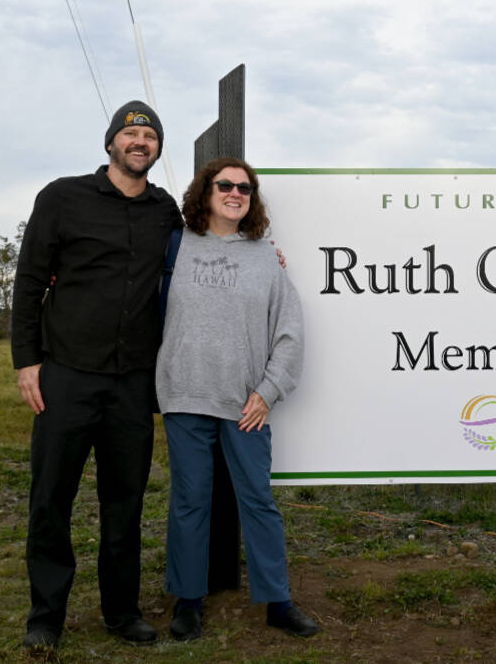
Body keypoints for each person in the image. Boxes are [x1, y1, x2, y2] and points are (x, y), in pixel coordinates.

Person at [12, 101, 181, 648]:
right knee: (50, 498)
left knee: (125, 502)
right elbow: (29, 280)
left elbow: (204, 256)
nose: (140, 141)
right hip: (66, 375)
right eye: (130, 133)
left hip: (132, 382)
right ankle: (45, 619)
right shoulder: (62, 197)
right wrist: (26, 361)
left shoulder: (165, 210)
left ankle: (121, 612)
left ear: (157, 148)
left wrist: (262, 254)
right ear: (111, 142)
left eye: (149, 135)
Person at [155, 157, 318, 641]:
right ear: (205, 192)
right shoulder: (174, 245)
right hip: (185, 394)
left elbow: (290, 330)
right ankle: (188, 601)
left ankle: (278, 601)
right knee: (190, 501)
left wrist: (268, 391)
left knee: (258, 500)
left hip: (245, 403)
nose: (235, 193)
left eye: (244, 188)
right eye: (224, 185)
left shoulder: (265, 255)